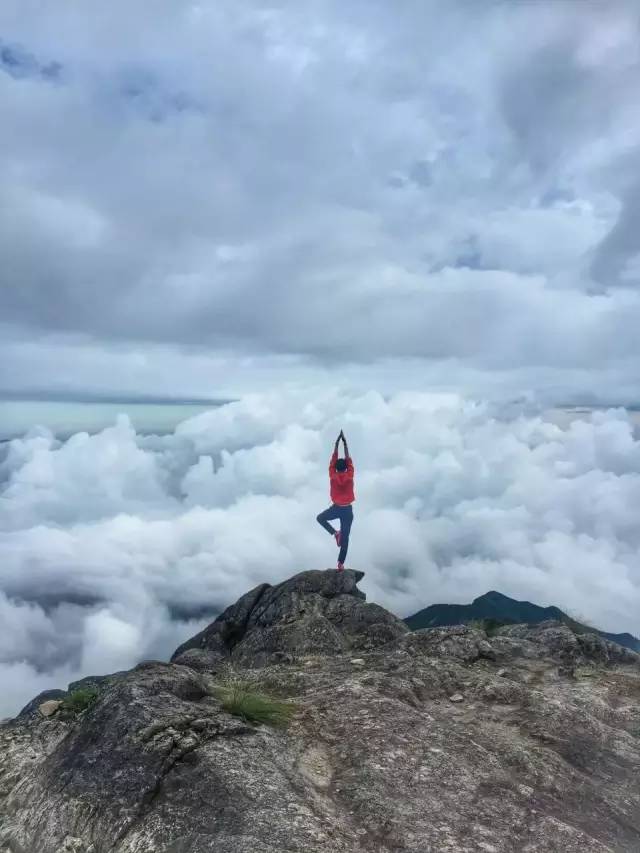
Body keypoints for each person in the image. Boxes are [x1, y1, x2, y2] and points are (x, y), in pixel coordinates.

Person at [316, 430, 355, 572]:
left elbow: (333, 461)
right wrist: (345, 443)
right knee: (346, 538)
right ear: (346, 467)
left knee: (320, 518)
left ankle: (334, 533)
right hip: (347, 510)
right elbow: (348, 459)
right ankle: (340, 563)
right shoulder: (350, 474)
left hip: (336, 508)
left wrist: (337, 443)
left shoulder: (332, 475)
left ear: (336, 469)